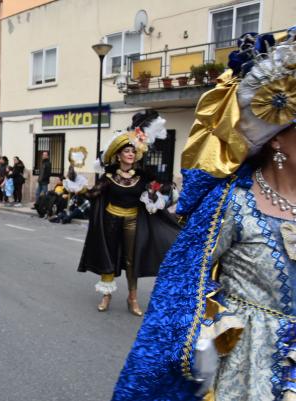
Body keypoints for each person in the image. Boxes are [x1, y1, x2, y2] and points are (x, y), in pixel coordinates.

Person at [112, 29, 296, 401]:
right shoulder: (233, 200)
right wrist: (215, 325)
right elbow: (184, 281)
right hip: (244, 362)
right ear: (277, 136)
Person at [78, 110, 180, 316]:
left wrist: (163, 191)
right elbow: (93, 194)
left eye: (133, 151)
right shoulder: (108, 177)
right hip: (109, 220)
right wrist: (77, 188)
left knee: (131, 259)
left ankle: (132, 298)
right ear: (118, 155)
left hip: (133, 221)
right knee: (109, 256)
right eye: (126, 151)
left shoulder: (143, 176)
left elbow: (159, 189)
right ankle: (106, 295)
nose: (131, 154)